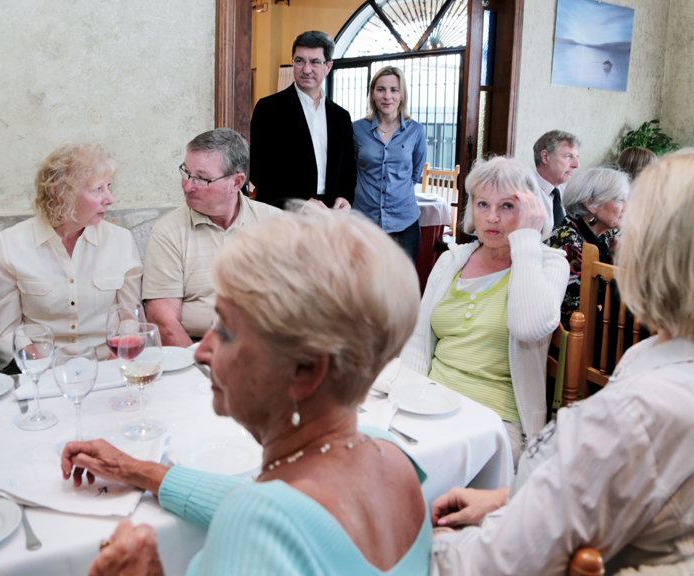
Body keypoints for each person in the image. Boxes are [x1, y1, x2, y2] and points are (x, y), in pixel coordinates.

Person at [429, 149, 694, 574]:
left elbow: (491, 563)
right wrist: (505, 498)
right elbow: (612, 495)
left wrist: (428, 540)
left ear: (657, 255)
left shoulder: (639, 414)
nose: (620, 235)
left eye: (633, 220)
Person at [65, 206, 430, 575]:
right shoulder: (389, 454)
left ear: (304, 370)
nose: (202, 351)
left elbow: (261, 516)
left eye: (224, 331)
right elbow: (274, 507)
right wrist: (135, 469)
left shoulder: (252, 527)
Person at [401, 156, 569, 465]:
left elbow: (528, 326)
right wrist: (405, 402)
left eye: (507, 206)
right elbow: (417, 341)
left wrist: (527, 239)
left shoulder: (548, 263)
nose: (492, 217)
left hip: (494, 422)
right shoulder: (452, 260)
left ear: (530, 211)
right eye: (482, 205)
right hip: (432, 405)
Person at [0, 141, 142, 369]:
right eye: (99, 189)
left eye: (109, 186)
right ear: (61, 193)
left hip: (109, 368)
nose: (110, 199)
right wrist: (48, 372)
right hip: (40, 372)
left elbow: (130, 320)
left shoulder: (121, 241)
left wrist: (110, 369)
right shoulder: (9, 244)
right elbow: (4, 332)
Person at [143, 128, 281, 347]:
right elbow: (163, 321)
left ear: (236, 183)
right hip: (196, 350)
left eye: (201, 179)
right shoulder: (168, 233)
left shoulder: (276, 224)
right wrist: (201, 370)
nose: (188, 186)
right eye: (186, 173)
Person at [249, 31, 356, 210]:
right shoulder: (269, 108)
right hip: (281, 212)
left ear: (328, 67)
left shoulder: (341, 116)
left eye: (315, 62)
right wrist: (301, 203)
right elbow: (257, 168)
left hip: (328, 214)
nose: (306, 70)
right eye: (300, 61)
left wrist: (345, 197)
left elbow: (348, 169)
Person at [352, 66, 427, 262]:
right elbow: (349, 171)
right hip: (363, 222)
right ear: (373, 94)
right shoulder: (356, 129)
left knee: (400, 288)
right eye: (381, 89)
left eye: (394, 90)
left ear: (402, 95)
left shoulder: (416, 131)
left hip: (404, 223)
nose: (387, 96)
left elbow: (415, 174)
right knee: (364, 286)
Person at [545, 168, 628, 328]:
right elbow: (577, 310)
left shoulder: (605, 236)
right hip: (576, 336)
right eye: (619, 200)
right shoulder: (567, 239)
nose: (626, 206)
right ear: (591, 204)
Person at [533, 130, 580, 231]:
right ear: (545, 157)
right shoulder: (524, 191)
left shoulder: (570, 194)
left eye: (576, 157)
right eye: (568, 156)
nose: (576, 165)